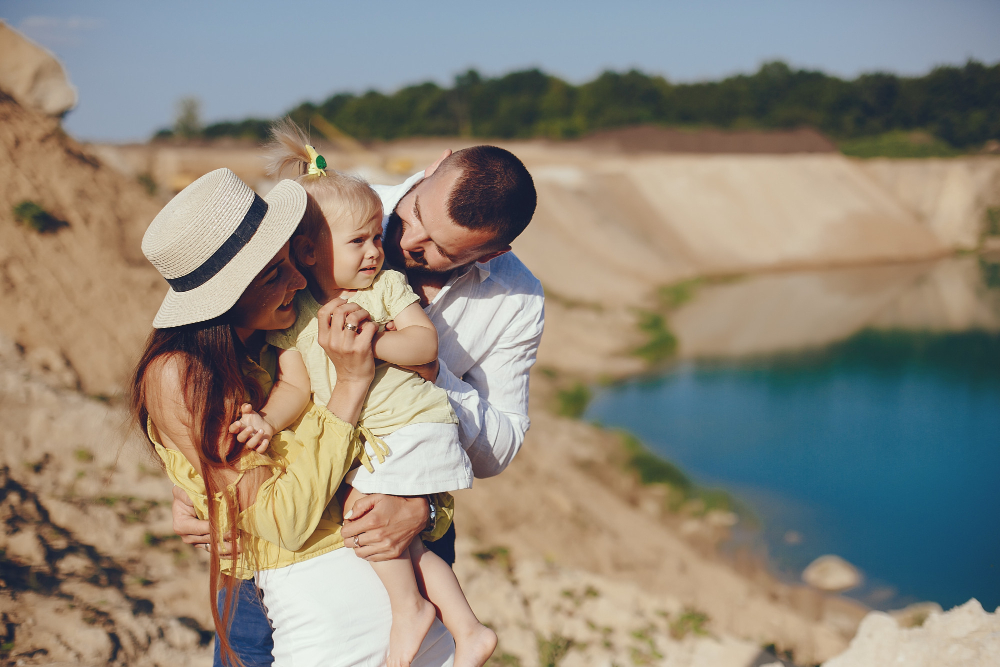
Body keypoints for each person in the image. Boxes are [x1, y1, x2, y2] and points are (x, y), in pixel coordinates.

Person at [173, 144, 545, 666]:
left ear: (490, 253)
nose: (404, 241)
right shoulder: (317, 212)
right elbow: (211, 338)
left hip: (398, 525)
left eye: (441, 248)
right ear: (434, 165)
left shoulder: (516, 299)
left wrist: (426, 384)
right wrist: (191, 479)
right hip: (270, 522)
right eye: (416, 214)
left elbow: (497, 449)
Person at [131, 168, 456, 667]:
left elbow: (411, 435)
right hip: (316, 602)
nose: (301, 281)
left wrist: (425, 507)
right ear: (225, 297)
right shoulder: (183, 373)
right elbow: (285, 517)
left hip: (353, 592)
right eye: (274, 274)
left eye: (290, 262)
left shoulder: (276, 345)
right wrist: (350, 384)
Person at [227, 120, 494, 667]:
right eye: (360, 241)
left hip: (408, 428)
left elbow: (423, 348)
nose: (378, 251)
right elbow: (294, 385)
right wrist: (269, 424)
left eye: (378, 237)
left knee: (366, 516)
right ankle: (462, 627)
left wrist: (370, 343)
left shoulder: (380, 290)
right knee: (393, 536)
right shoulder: (295, 314)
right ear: (307, 252)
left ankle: (413, 612)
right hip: (370, 441)